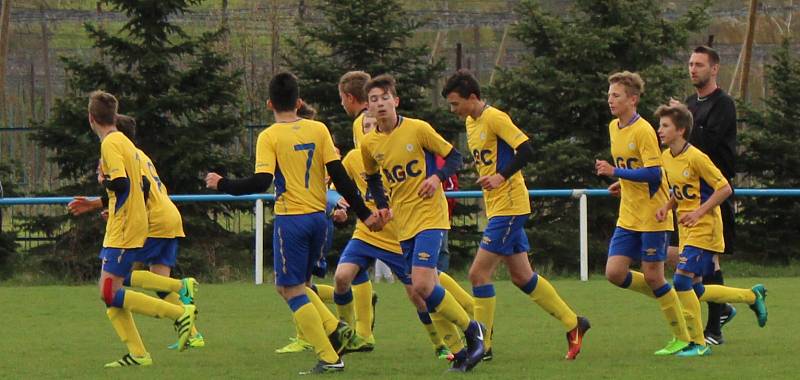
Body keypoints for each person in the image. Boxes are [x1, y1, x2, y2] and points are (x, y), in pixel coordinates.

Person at [205, 72, 382, 375]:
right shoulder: (318, 129)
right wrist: (365, 214)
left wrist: (222, 183)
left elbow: (261, 181)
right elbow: (340, 177)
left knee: (288, 289)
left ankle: (330, 354)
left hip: (292, 220)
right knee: (300, 285)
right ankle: (334, 328)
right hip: (319, 220)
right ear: (299, 102)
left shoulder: (270, 136)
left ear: (269, 103)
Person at [442, 70, 589, 361]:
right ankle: (574, 323)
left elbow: (526, 149)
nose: (453, 110)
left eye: (456, 103)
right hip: (499, 207)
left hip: (510, 206)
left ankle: (483, 346)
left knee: (478, 274)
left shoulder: (495, 117)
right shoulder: (472, 123)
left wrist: (499, 176)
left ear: (472, 97)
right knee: (522, 276)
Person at [359, 74, 485, 372]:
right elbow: (374, 178)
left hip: (430, 215)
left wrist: (436, 177)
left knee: (422, 284)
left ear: (396, 101)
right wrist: (383, 206)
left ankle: (472, 331)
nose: (380, 104)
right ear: (368, 107)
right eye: (374, 100)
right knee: (424, 289)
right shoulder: (370, 144)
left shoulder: (417, 129)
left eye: (384, 98)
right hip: (404, 222)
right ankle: (462, 347)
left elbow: (454, 157)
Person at [69, 114, 204, 351]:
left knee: (116, 279)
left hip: (152, 219)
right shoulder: (138, 155)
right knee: (157, 282)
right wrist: (101, 204)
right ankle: (192, 333)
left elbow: (137, 188)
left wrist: (119, 207)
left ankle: (181, 288)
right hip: (167, 215)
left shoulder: (123, 153)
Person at [653, 104, 767, 356]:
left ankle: (698, 343)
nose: (659, 130)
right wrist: (667, 206)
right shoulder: (666, 157)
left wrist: (698, 212)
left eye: (665, 126)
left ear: (681, 130)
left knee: (681, 281)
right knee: (696, 289)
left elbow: (724, 188)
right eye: (660, 125)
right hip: (687, 229)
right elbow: (680, 192)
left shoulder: (696, 157)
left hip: (705, 228)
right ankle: (751, 296)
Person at [595, 72, 692, 355]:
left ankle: (682, 337)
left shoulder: (644, 131)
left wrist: (616, 171)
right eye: (610, 94)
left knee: (653, 277)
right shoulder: (614, 127)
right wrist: (621, 182)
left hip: (653, 216)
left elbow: (653, 174)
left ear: (633, 100)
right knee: (614, 273)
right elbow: (633, 169)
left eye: (616, 95)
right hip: (628, 215)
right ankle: (670, 298)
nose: (610, 99)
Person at [669, 45, 738, 345]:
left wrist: (685, 122)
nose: (692, 68)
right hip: (687, 198)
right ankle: (720, 306)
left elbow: (708, 143)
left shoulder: (723, 104)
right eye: (690, 63)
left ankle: (714, 329)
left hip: (712, 194)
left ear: (714, 69)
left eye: (699, 64)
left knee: (710, 264)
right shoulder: (689, 103)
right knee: (677, 258)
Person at [435, 154, 458, 273]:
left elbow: (452, 187)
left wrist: (446, 206)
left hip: (440, 213)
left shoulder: (442, 161)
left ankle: (442, 279)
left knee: (442, 249)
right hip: (419, 214)